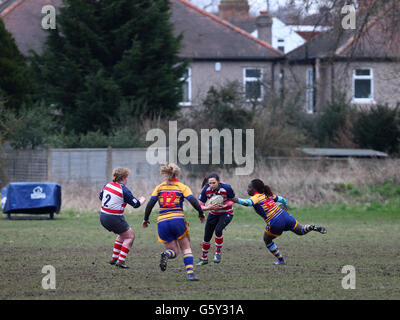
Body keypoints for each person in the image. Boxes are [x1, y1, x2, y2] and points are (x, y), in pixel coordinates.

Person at [232, 179, 327, 265]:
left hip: (275, 222)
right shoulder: (268, 195)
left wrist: (234, 199)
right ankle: (312, 227)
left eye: (249, 187)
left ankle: (281, 260)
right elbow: (282, 199)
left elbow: (247, 203)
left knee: (267, 240)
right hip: (285, 216)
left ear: (255, 189)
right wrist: (285, 206)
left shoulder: (256, 197)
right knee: (301, 230)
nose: (247, 189)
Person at [142, 163, 205, 281]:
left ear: (166, 174)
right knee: (186, 248)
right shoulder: (182, 187)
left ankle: (167, 254)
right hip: (177, 220)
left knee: (173, 251)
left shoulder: (159, 187)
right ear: (177, 174)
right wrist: (201, 214)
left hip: (162, 222)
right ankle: (190, 274)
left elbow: (150, 204)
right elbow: (193, 201)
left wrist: (146, 219)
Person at [99, 167, 146, 269]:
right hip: (114, 217)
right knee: (130, 237)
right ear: (124, 177)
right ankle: (121, 261)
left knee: (122, 234)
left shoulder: (107, 185)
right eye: (127, 177)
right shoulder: (123, 189)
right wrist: (142, 200)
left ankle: (114, 258)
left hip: (103, 216)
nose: (127, 180)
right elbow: (136, 204)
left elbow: (100, 197)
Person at [196, 173, 235, 265]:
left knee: (218, 230)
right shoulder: (206, 189)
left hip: (226, 213)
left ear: (218, 182)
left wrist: (225, 205)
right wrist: (208, 207)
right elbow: (200, 205)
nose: (211, 185)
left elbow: (232, 200)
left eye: (214, 183)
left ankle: (218, 252)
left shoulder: (226, 188)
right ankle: (204, 258)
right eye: (210, 183)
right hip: (213, 213)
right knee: (207, 236)